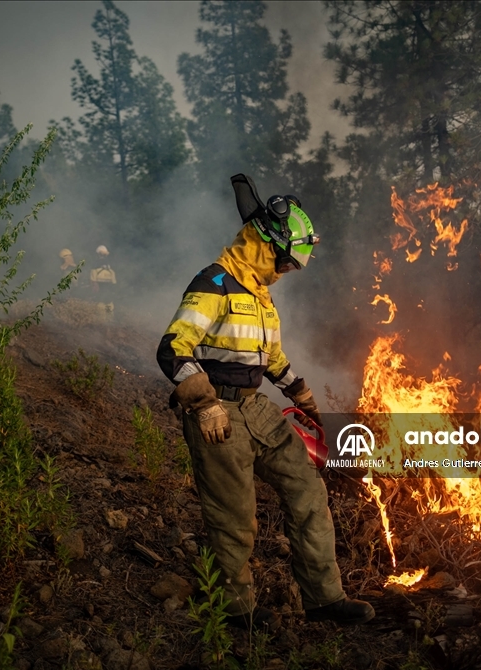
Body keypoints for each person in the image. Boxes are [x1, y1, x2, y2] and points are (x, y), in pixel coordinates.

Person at [156, 174, 375, 631]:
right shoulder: (213, 282)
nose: (286, 271)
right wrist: (204, 403)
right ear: (264, 243)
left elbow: (270, 358)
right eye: (284, 261)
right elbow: (173, 348)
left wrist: (302, 393)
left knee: (309, 491)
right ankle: (236, 614)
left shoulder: (260, 295)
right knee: (235, 519)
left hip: (256, 408)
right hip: (218, 413)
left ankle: (324, 598)